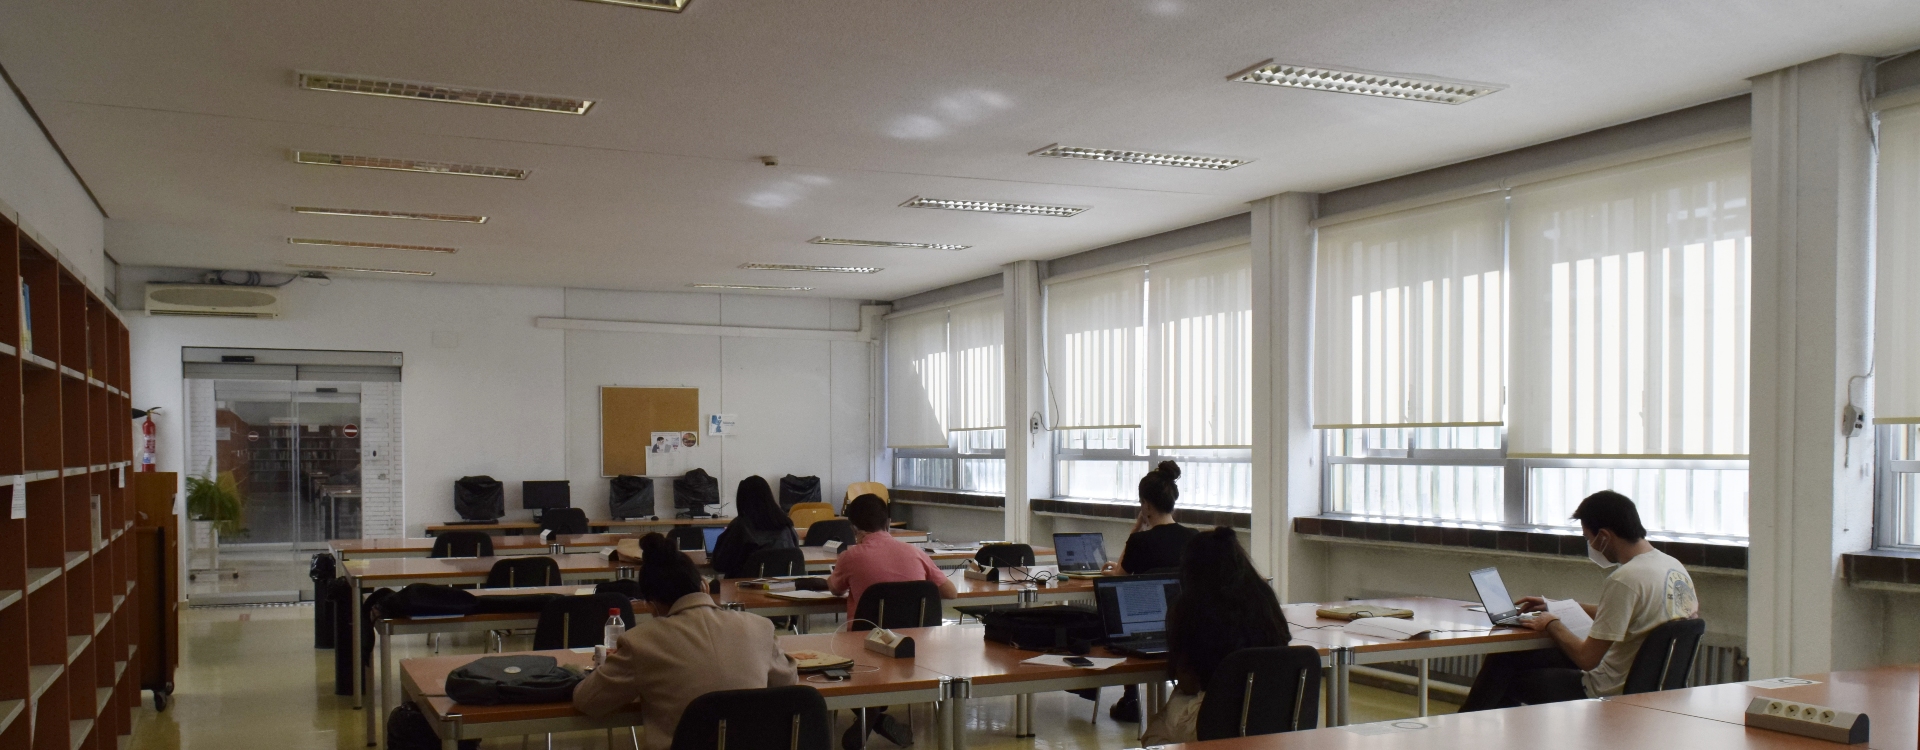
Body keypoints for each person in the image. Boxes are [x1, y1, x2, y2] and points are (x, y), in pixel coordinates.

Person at [1460, 490, 1700, 711]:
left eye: (1589, 537)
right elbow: (1634, 613)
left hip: (1609, 688)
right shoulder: (1671, 566)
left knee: (1505, 675)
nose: (1591, 545)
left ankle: (1464, 728)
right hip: (1650, 682)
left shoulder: (1625, 579)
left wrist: (1551, 623)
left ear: (1604, 536)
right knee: (1509, 657)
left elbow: (1587, 658)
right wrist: (1559, 607)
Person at [573, 533, 799, 750]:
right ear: (703, 585)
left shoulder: (640, 642)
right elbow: (788, 682)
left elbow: (588, 701)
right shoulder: (760, 627)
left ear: (651, 604)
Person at [827, 493, 956, 748]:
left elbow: (834, 588)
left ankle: (871, 713)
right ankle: (874, 715)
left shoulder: (851, 557)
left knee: (833, 658)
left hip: (865, 645)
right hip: (915, 646)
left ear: (854, 528)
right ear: (888, 522)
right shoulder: (914, 552)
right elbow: (950, 592)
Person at [1143, 527, 1294, 744]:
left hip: (1214, 722)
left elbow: (1189, 682)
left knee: (1154, 734)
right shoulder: (1265, 599)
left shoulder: (1191, 607)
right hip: (1272, 716)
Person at [1098, 460, 1198, 721]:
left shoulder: (1140, 541)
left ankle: (1130, 698)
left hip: (1145, 627)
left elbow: (1119, 579)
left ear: (1146, 505)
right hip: (1185, 629)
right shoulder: (1194, 537)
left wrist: (1135, 529)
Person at [708, 475, 799, 577]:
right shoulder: (786, 525)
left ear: (742, 499)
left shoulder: (740, 526)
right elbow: (795, 555)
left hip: (744, 588)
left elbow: (720, 564)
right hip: (783, 588)